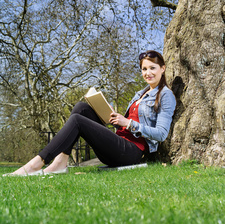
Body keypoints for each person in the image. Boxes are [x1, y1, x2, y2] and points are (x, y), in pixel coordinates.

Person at [4, 50, 176, 176]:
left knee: (78, 120)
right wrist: (114, 117)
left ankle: (36, 164)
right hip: (118, 142)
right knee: (82, 108)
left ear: (163, 68)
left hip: (131, 152)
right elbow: (126, 122)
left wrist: (128, 123)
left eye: (152, 68)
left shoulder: (166, 95)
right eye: (144, 69)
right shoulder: (141, 93)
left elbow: (161, 134)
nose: (148, 73)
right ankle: (61, 161)